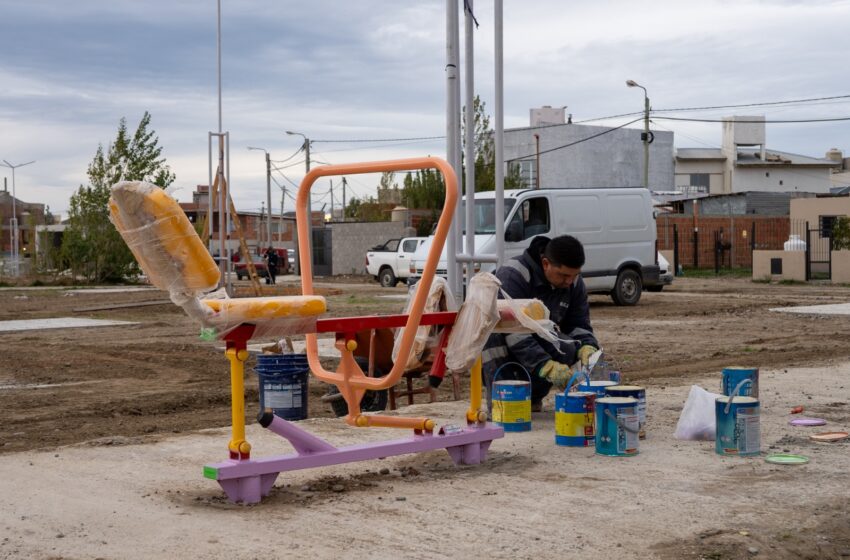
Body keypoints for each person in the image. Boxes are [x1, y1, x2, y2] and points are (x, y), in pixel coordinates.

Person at [483, 235, 599, 412]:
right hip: (504, 338)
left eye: (574, 276)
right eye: (564, 275)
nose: (569, 282)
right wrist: (546, 366)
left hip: (537, 334)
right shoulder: (513, 275)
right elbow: (513, 332)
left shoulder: (572, 282)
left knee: (568, 348)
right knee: (494, 338)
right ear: (546, 264)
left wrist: (587, 346)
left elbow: (579, 323)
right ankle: (502, 401)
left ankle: (533, 397)